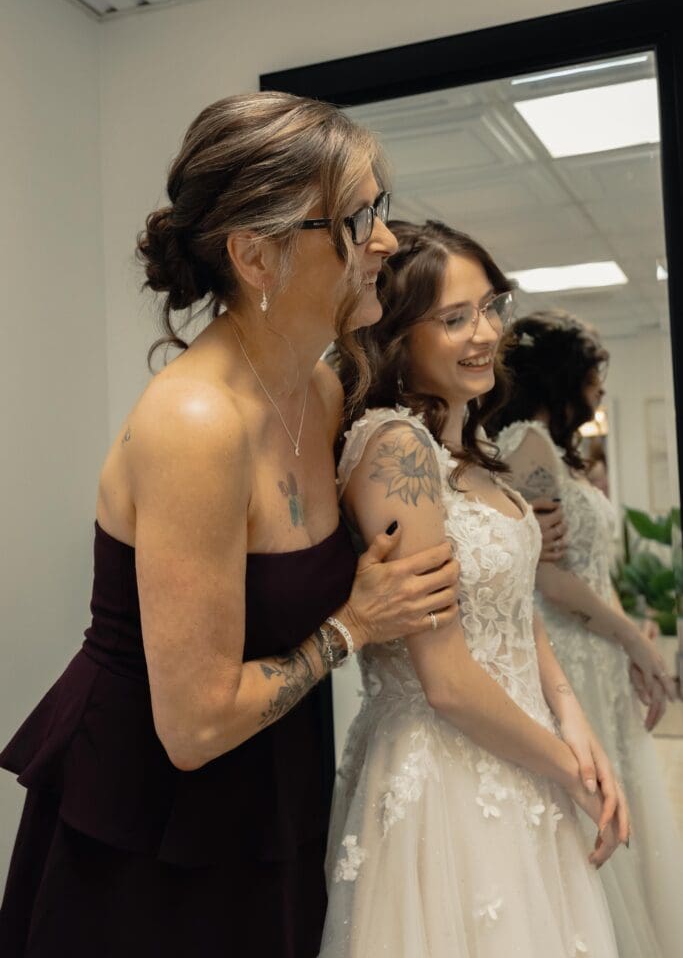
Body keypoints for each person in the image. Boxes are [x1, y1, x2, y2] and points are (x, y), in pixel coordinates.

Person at [0, 94, 461, 958]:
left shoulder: (320, 389)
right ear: (256, 255)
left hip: (273, 788)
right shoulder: (197, 424)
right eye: (356, 220)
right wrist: (354, 625)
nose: (386, 241)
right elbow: (195, 727)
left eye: (381, 210)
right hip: (150, 830)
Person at [319, 221, 628, 957]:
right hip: (445, 772)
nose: (485, 333)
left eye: (490, 307)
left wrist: (570, 716)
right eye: (454, 319)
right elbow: (447, 680)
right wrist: (573, 772)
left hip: (519, 750)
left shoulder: (467, 450)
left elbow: (513, 609)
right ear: (398, 335)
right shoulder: (396, 449)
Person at [491, 310, 683, 958]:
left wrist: (629, 641)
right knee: (591, 810)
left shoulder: (558, 453)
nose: (599, 391)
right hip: (569, 653)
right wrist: (634, 640)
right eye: (593, 377)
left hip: (595, 649)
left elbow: (588, 567)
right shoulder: (527, 443)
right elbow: (549, 579)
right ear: (562, 377)